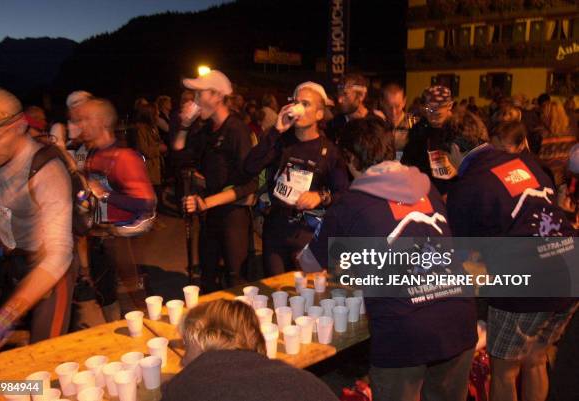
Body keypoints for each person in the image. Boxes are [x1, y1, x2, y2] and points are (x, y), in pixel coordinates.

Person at [298, 117, 477, 401]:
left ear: (352, 159)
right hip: (458, 316)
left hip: (404, 328)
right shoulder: (427, 187)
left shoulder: (350, 203)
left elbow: (310, 263)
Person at [444, 116, 578, 401]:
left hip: (528, 279)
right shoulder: (525, 162)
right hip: (569, 266)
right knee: (536, 359)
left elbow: (458, 251)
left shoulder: (467, 185)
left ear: (456, 149)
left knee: (504, 371)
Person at [0, 79, 74, 368]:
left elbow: (59, 254)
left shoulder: (47, 169)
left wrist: (6, 317)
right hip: (13, 261)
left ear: (18, 126)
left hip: (50, 268)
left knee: (44, 358)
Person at [244, 81, 349, 277]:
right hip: (276, 228)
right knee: (277, 292)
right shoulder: (280, 141)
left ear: (319, 114)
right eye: (296, 101)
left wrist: (320, 196)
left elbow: (343, 193)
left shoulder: (330, 152)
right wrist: (276, 130)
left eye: (306, 103)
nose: (298, 107)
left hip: (308, 234)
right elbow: (250, 167)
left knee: (307, 295)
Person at [175, 70, 258, 292]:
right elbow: (180, 156)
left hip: (232, 215)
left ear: (217, 96)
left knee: (235, 280)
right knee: (207, 276)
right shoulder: (205, 130)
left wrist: (208, 202)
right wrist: (184, 125)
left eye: (199, 94)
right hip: (209, 214)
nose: (195, 100)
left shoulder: (236, 129)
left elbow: (250, 184)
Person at [75, 98, 155, 320]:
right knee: (105, 296)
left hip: (122, 238)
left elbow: (145, 203)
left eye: (85, 119)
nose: (80, 124)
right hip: (99, 237)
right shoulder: (91, 155)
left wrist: (105, 193)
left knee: (138, 298)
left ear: (102, 122)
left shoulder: (124, 157)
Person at [164, 299, 338, 401]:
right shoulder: (305, 381)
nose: (183, 360)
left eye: (186, 345)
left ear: (204, 336)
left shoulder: (188, 386)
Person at [402, 85, 457, 195]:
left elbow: (472, 165)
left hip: (452, 191)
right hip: (425, 191)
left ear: (449, 106)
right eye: (428, 109)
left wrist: (456, 170)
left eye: (436, 112)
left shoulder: (458, 130)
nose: (431, 116)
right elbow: (408, 159)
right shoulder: (420, 128)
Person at [374, 83, 419, 160]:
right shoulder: (375, 123)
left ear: (404, 102)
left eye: (397, 106)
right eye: (389, 106)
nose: (393, 112)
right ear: (382, 102)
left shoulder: (414, 122)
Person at [538, 101, 577, 188]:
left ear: (545, 116)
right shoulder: (571, 133)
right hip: (565, 178)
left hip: (545, 179)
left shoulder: (539, 134)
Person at [326, 73, 371, 143]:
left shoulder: (373, 125)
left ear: (361, 96)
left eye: (345, 94)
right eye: (339, 94)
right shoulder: (334, 124)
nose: (339, 100)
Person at [134, 103, 164, 190]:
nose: (158, 113)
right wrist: (159, 149)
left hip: (156, 167)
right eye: (156, 111)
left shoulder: (153, 127)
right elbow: (143, 149)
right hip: (149, 169)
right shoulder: (141, 130)